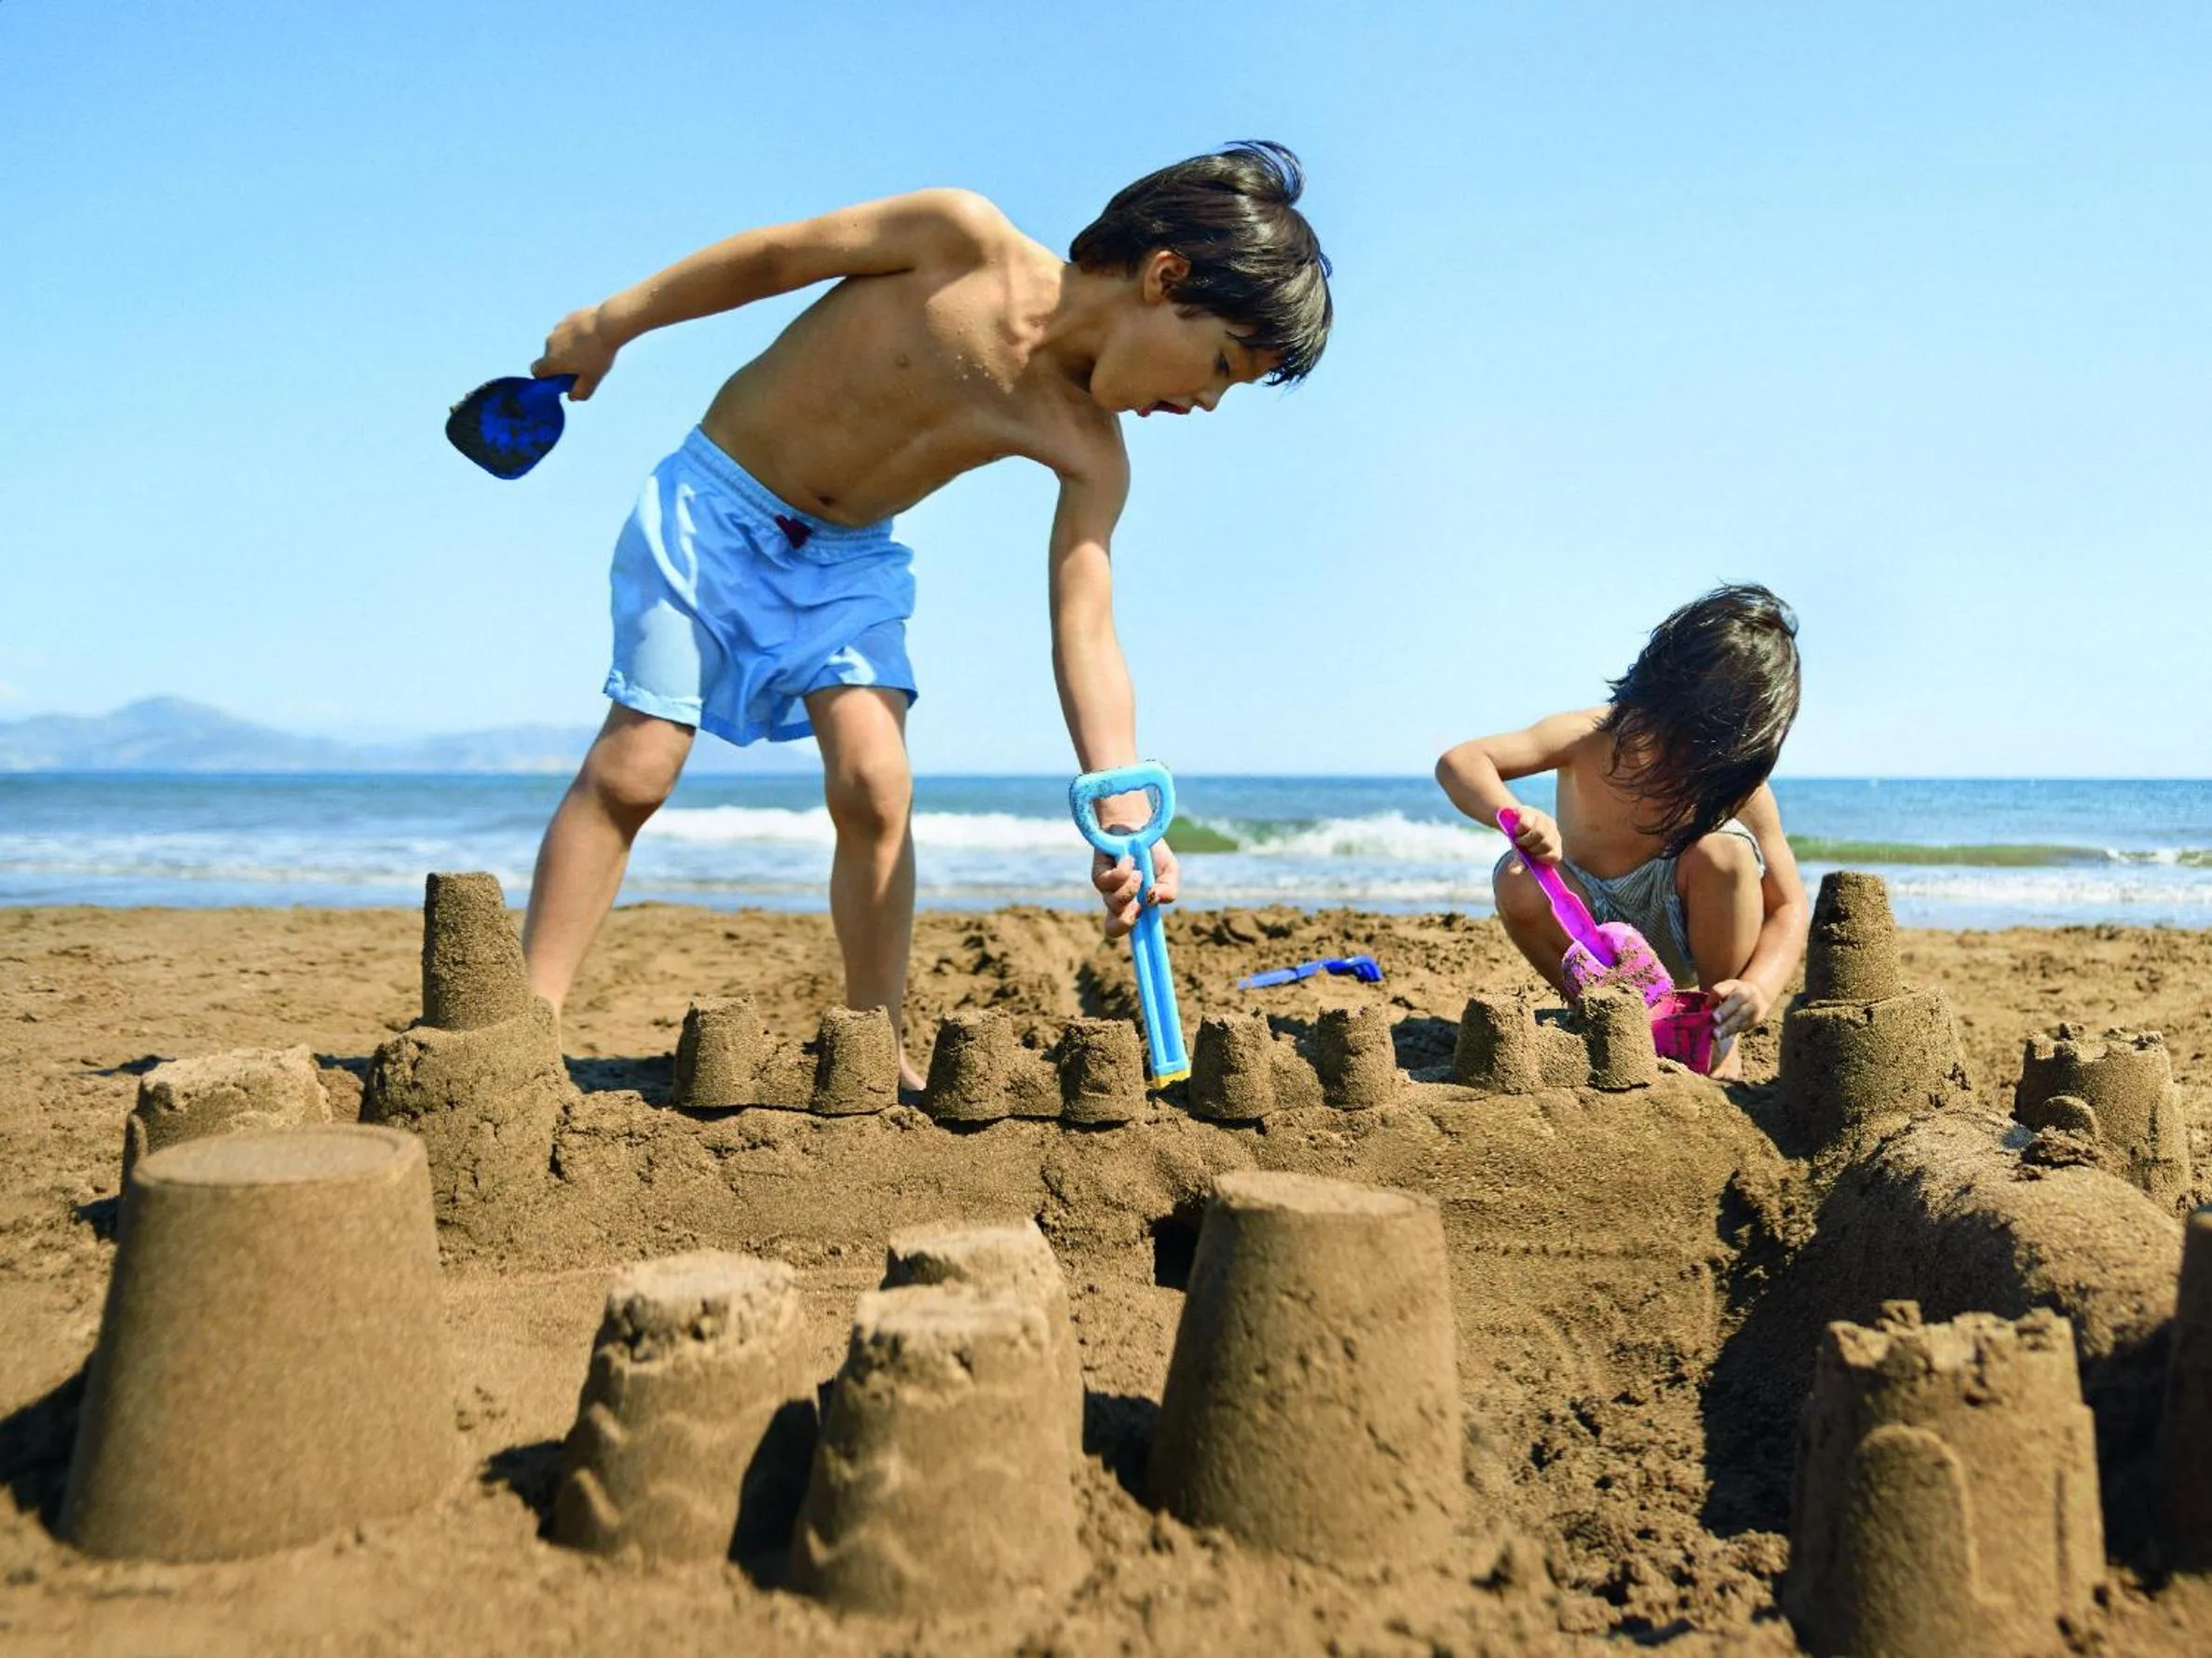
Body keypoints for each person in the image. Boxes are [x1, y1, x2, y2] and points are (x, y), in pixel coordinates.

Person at [517, 143, 1332, 1086]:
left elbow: (1085, 621)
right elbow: (774, 257)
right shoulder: (957, 238)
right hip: (713, 511)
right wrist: (614, 323)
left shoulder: (1090, 450)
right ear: (1163, 275)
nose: (1204, 401)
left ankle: (873, 1042)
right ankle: (527, 1021)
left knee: (876, 784)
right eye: (1221, 363)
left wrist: (1119, 797)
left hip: (848, 564)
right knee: (635, 766)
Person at [1433, 583, 1810, 1075]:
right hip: (1588, 932)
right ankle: (1605, 1019)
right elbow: (1461, 761)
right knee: (1518, 875)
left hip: (1687, 929)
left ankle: (1713, 1032)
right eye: (1653, 731)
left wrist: (1756, 988)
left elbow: (1788, 905)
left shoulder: (1737, 786)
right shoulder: (1587, 735)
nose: (1659, 759)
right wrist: (1516, 816)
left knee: (1727, 853)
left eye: (1694, 751)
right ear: (1648, 689)